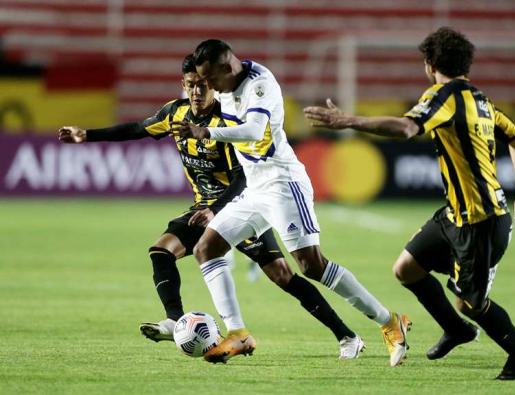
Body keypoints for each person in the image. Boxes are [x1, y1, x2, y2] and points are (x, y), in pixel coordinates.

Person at [57, 55, 364, 360]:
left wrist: (217, 209)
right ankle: (175, 320)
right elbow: (138, 128)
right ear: (183, 85)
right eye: (191, 85)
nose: (197, 92)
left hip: (240, 205)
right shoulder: (174, 114)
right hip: (203, 209)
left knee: (282, 275)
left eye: (203, 85)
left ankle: (347, 336)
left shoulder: (228, 121)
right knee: (161, 251)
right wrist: (87, 135)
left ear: (215, 86)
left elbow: (243, 177)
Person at [303, 27, 515, 380]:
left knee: (470, 303)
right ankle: (457, 330)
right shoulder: (481, 100)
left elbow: (405, 128)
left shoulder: (443, 96)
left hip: (480, 220)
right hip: (455, 215)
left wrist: (348, 121)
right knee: (407, 268)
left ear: (429, 64)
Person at [170, 40, 411, 365]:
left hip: (283, 184)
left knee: (312, 266)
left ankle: (389, 322)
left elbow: (255, 131)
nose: (208, 87)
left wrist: (206, 133)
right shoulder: (225, 84)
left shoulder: (260, 84)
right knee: (206, 248)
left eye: (210, 79)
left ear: (227, 68)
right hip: (254, 188)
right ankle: (238, 333)